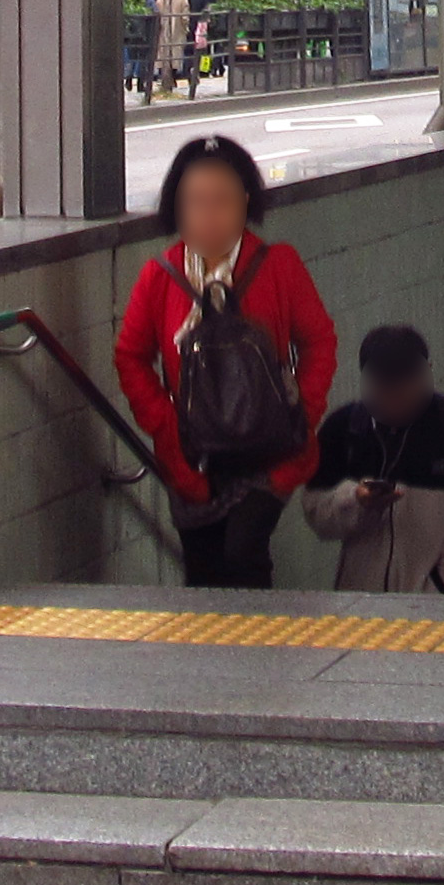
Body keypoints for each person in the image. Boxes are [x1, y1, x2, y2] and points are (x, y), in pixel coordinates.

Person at [115, 136, 336, 586]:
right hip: (193, 455)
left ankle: (257, 632)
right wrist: (166, 425)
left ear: (246, 202)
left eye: (222, 201)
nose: (209, 215)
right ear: (176, 208)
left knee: (243, 553)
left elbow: (319, 342)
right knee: (203, 568)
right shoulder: (160, 276)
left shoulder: (277, 265)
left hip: (269, 451)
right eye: (195, 202)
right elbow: (130, 356)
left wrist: (303, 411)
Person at [301, 325, 444, 593]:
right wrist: (356, 501)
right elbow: (316, 510)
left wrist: (443, 585)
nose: (397, 394)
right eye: (386, 384)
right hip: (361, 603)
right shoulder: (344, 429)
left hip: (437, 605)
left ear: (426, 374)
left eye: (406, 381)